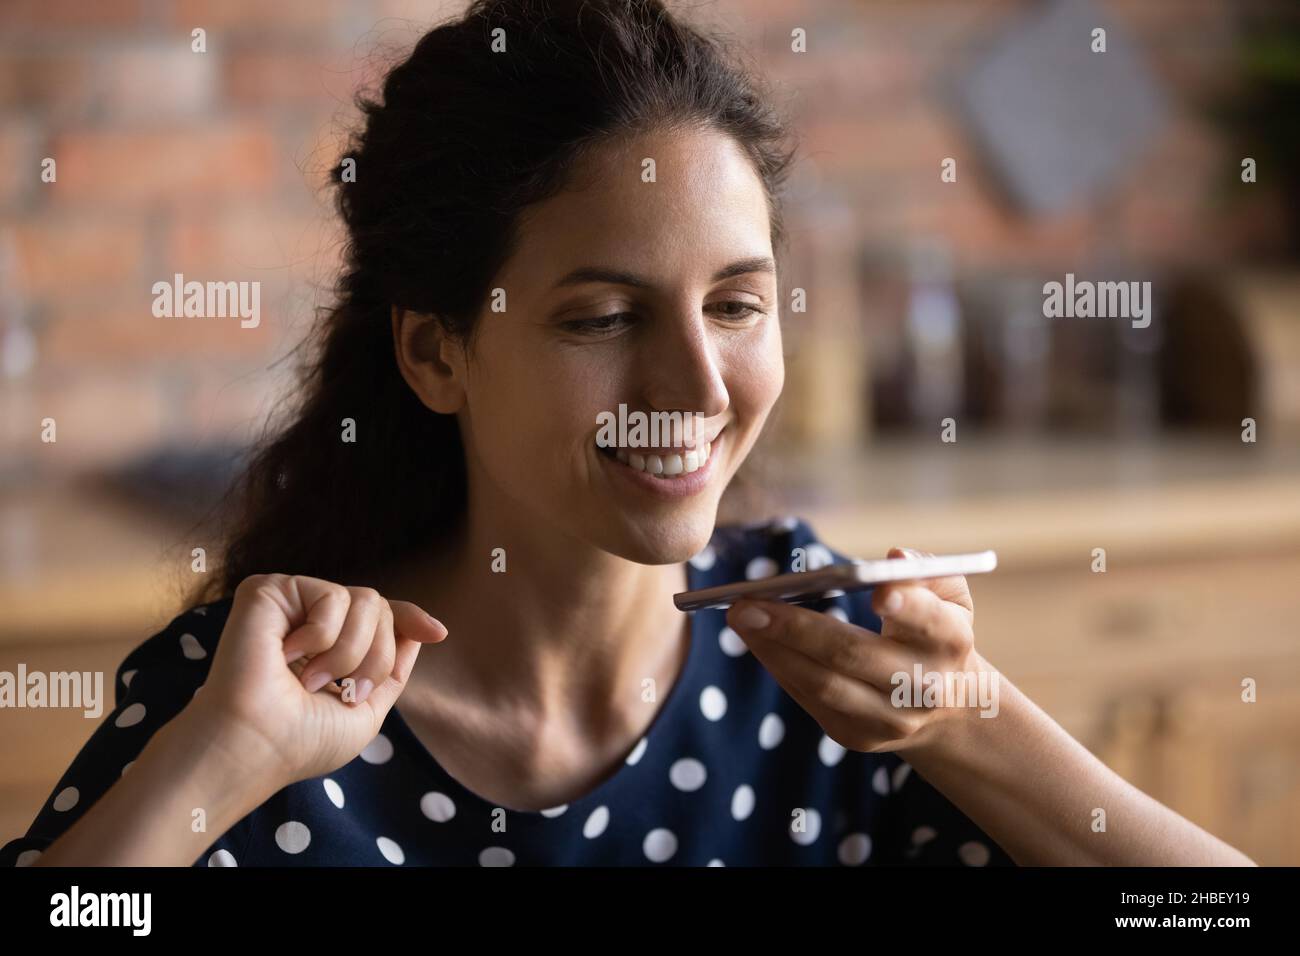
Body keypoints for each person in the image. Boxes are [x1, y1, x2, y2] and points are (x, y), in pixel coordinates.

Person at [2, 0, 1254, 867]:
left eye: (736, 305)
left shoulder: (840, 674)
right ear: (436, 351)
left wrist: (974, 722)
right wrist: (214, 771)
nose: (698, 383)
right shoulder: (252, 697)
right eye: (602, 317)